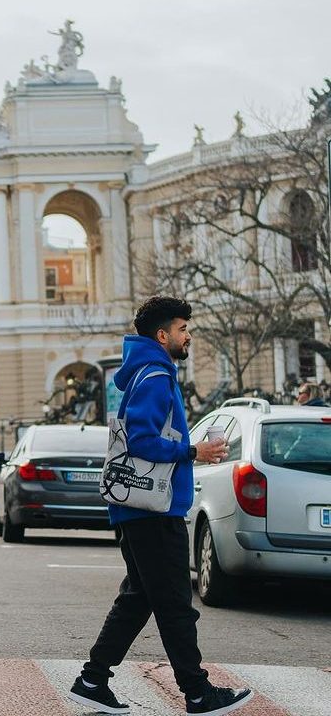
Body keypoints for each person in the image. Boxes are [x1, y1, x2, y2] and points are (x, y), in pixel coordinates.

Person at [67, 297, 252, 716]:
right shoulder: (154, 375)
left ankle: (92, 680)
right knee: (174, 606)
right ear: (162, 335)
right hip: (153, 511)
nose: (188, 336)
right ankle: (198, 693)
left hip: (143, 510)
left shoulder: (149, 372)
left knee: (138, 598)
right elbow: (141, 440)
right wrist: (193, 450)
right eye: (183, 329)